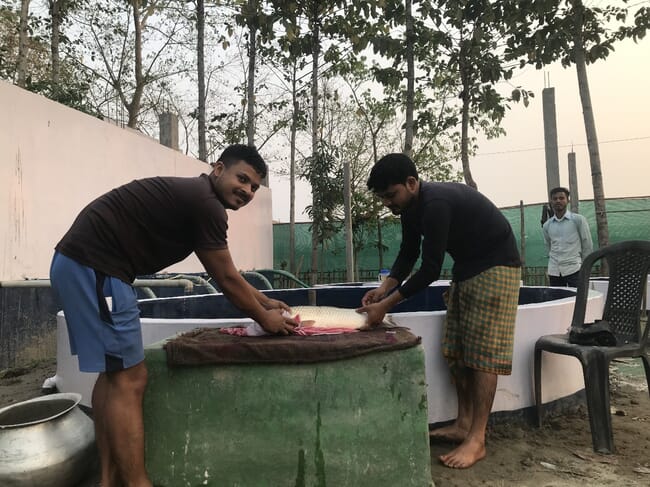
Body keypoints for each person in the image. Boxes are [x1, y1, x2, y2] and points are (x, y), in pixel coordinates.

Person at [49, 144, 297, 487]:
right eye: (242, 178)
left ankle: (109, 479)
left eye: (254, 186)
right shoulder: (207, 204)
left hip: (82, 265)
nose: (247, 190)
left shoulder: (198, 196)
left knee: (114, 374)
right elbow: (224, 279)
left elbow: (227, 272)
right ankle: (137, 483)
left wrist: (263, 301)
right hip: (97, 267)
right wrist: (263, 318)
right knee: (130, 379)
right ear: (218, 168)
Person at [357, 153, 521, 469]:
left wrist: (384, 307)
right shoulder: (408, 207)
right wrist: (384, 288)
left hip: (497, 266)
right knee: (458, 350)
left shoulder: (436, 204)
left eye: (392, 195)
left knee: (483, 355)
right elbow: (408, 254)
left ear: (412, 183)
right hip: (468, 268)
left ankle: (477, 438)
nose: (390, 203)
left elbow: (430, 269)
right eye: (384, 199)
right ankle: (463, 423)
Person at [542, 187, 593, 287]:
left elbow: (587, 244)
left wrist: (585, 267)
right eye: (555, 198)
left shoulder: (578, 220)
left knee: (578, 300)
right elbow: (548, 246)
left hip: (574, 269)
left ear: (567, 200)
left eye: (561, 198)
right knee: (557, 300)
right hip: (554, 271)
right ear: (551, 201)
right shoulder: (547, 225)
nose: (558, 201)